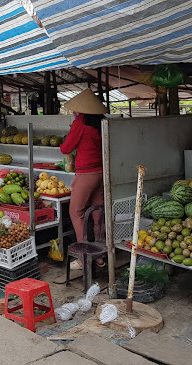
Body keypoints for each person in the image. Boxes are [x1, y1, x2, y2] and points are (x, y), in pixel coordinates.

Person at [59, 89, 108, 270]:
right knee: (98, 213)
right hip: (101, 172)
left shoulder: (80, 123)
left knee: (76, 211)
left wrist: (63, 143)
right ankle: (100, 255)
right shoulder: (102, 123)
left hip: (86, 173)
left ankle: (84, 256)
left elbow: (66, 148)